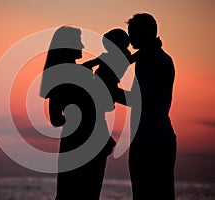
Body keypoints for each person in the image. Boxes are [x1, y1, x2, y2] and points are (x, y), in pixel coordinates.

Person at [40, 26, 116, 200]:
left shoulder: (59, 75)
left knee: (68, 193)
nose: (82, 45)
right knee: (88, 194)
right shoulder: (79, 75)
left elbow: (56, 119)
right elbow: (106, 105)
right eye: (78, 41)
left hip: (71, 143)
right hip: (91, 143)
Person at [114, 13, 177, 199]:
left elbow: (142, 101)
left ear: (144, 34)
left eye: (132, 33)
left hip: (152, 140)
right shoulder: (148, 57)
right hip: (150, 137)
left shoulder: (154, 60)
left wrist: (111, 92)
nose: (129, 38)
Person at [82, 28, 132, 108]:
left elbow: (134, 57)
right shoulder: (106, 56)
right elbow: (89, 63)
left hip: (109, 84)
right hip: (99, 82)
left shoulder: (124, 57)